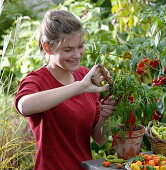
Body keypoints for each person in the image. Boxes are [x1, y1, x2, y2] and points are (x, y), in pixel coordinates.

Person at [14, 9, 116, 170]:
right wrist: (79, 87)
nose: (77, 54)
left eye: (80, 46)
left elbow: (99, 139)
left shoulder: (84, 75)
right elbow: (24, 106)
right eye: (68, 50)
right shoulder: (37, 80)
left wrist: (104, 117)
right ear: (48, 48)